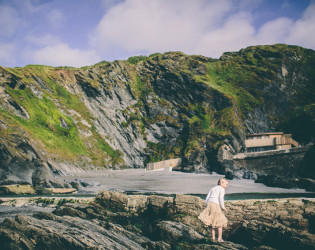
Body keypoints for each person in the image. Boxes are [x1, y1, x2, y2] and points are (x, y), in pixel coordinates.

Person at [198, 178, 229, 242]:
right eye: (226, 184)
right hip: (215, 204)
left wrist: (207, 206)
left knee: (213, 222)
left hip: (210, 204)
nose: (227, 186)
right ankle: (219, 239)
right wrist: (223, 207)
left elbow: (207, 197)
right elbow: (221, 198)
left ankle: (213, 238)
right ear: (221, 183)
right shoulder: (222, 189)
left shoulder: (213, 188)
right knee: (220, 223)